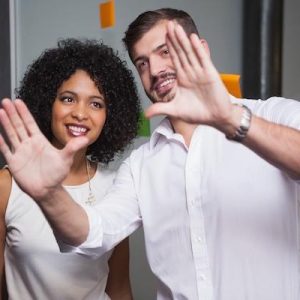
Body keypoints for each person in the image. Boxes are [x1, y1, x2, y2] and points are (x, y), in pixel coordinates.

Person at [1, 8, 300, 300]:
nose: (155, 70)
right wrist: (49, 194)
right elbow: (94, 235)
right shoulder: (140, 165)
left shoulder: (275, 115)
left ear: (201, 49)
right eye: (142, 63)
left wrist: (230, 118)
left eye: (165, 52)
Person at [0, 38, 141, 300]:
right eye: (68, 99)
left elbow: (119, 287)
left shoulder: (117, 189)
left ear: (110, 116)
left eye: (96, 104)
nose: (80, 113)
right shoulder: (7, 186)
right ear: (47, 104)